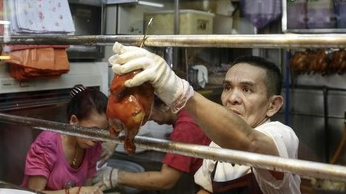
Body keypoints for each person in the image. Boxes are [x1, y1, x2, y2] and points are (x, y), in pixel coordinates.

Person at [108, 43, 301, 194]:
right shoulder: (217, 145)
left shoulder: (281, 136)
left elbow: (248, 142)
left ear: (273, 105)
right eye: (227, 88)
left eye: (247, 89)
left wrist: (179, 91)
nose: (232, 98)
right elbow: (207, 189)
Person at [94, 96, 211, 192]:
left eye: (149, 111)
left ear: (165, 105)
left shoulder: (184, 129)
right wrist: (116, 136)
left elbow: (166, 180)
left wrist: (115, 176)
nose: (147, 118)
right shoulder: (186, 108)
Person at [22, 85, 108, 194]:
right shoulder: (48, 144)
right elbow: (33, 193)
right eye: (93, 131)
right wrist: (76, 191)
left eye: (102, 132)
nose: (97, 139)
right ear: (73, 121)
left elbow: (88, 186)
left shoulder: (93, 147)